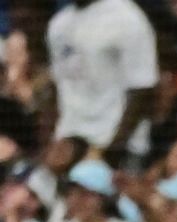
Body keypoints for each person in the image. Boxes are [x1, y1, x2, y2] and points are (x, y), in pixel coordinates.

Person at [46, 0, 159, 155]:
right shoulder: (58, 24)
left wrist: (111, 148)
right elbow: (58, 86)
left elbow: (143, 89)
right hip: (69, 140)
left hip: (114, 143)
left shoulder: (127, 17)